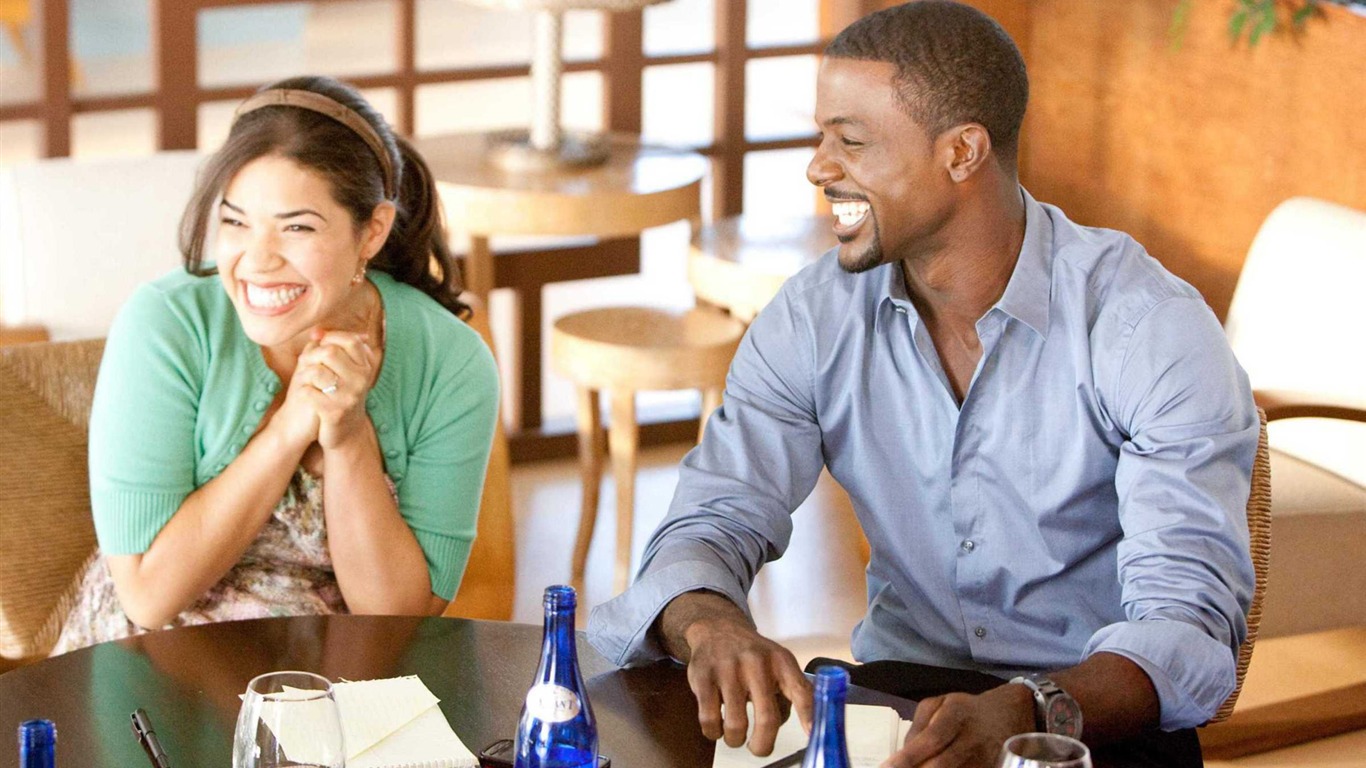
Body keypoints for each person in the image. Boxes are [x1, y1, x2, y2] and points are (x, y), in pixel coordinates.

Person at [586, 3, 1257, 766]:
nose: (817, 165)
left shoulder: (1147, 330)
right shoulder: (814, 317)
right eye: (819, 136)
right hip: (898, 704)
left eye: (851, 140)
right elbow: (712, 516)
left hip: (1090, 719)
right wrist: (711, 623)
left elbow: (1187, 628)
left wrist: (1027, 709)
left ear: (963, 152)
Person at [51, 75, 500, 654]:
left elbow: (395, 618)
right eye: (236, 221)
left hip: (336, 677)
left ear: (372, 231)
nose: (256, 262)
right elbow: (148, 596)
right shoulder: (164, 324)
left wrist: (348, 435)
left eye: (296, 227)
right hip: (150, 662)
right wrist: (291, 427)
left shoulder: (451, 363)